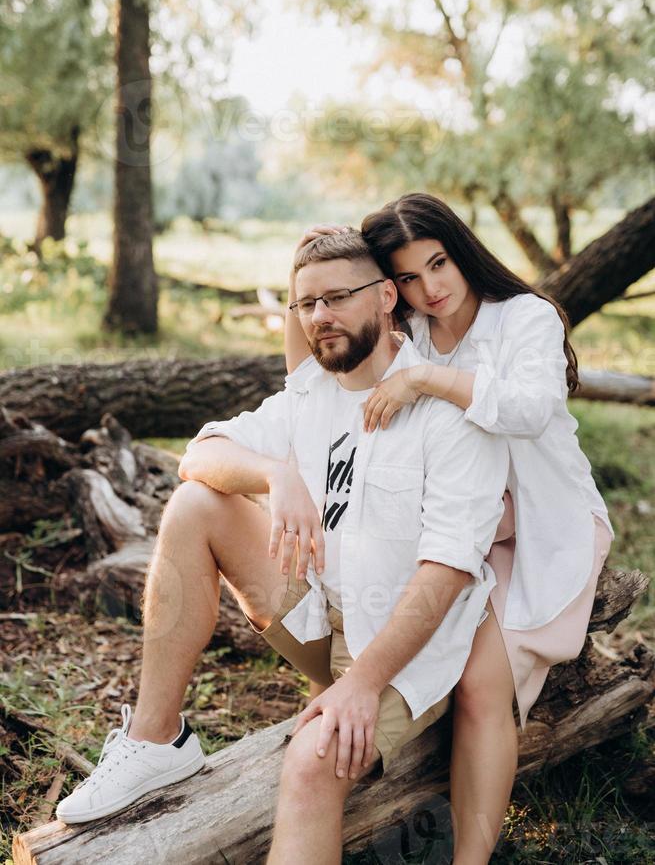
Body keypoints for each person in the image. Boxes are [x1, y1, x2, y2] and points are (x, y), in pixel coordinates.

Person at [56, 228, 510, 864]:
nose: (320, 317)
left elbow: (447, 571)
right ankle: (157, 742)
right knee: (196, 503)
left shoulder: (446, 406)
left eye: (337, 298)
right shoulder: (311, 394)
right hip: (324, 610)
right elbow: (201, 454)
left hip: (411, 652)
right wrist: (277, 475)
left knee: (308, 767)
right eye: (306, 304)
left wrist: (362, 684)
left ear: (385, 297)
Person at [284, 193, 614, 865]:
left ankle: (470, 856)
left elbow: (528, 407)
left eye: (437, 264)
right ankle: (355, 698)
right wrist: (305, 276)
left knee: (478, 678)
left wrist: (428, 380)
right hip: (459, 517)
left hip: (538, 521)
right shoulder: (409, 322)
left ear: (460, 250)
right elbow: (311, 371)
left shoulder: (524, 317)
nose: (428, 288)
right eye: (406, 276)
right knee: (409, 617)